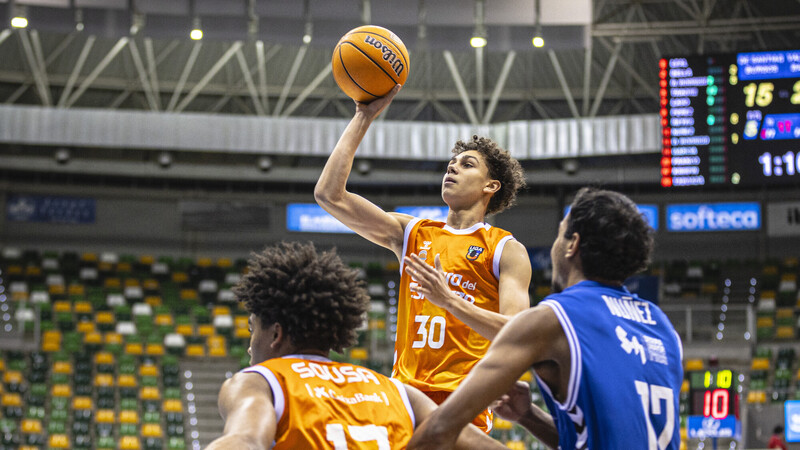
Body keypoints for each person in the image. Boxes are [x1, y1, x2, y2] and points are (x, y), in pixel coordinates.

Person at [314, 85, 532, 432]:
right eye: (451, 163)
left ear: (491, 186)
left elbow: (518, 333)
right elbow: (329, 195)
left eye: (467, 164)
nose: (453, 167)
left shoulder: (505, 248)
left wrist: (449, 300)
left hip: (464, 402)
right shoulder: (413, 233)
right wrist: (363, 115)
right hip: (404, 399)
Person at [407, 187, 684, 449]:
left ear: (571, 245)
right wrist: (529, 416)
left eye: (560, 233)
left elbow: (441, 428)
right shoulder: (662, 327)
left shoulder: (555, 317)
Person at [206, 242, 506, 449]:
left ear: (275, 334)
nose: (249, 347)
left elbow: (245, 440)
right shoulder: (401, 393)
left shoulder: (260, 383)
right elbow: (479, 444)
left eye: (251, 330)